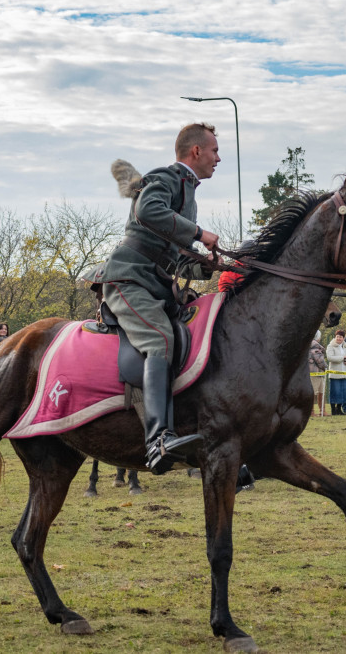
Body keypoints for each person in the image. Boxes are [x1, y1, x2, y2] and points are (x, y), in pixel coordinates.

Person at [99, 122, 221, 474]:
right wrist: (198, 233)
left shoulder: (190, 195)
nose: (218, 158)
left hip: (155, 283)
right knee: (159, 339)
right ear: (195, 152)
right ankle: (157, 440)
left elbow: (176, 258)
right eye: (214, 151)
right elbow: (146, 212)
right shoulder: (166, 178)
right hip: (128, 278)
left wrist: (207, 267)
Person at [326, 330, 346, 416]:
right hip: (335, 374)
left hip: (345, 373)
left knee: (343, 392)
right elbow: (330, 357)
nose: (339, 338)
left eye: (341, 337)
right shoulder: (331, 346)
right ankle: (333, 409)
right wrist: (342, 358)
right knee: (335, 392)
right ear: (335, 337)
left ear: (343, 338)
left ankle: (339, 409)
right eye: (337, 336)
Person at [308, 331, 327, 417]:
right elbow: (319, 360)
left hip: (317, 372)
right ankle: (311, 411)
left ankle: (322, 410)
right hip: (315, 372)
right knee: (314, 392)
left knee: (321, 391)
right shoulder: (315, 345)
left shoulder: (309, 344)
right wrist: (326, 367)